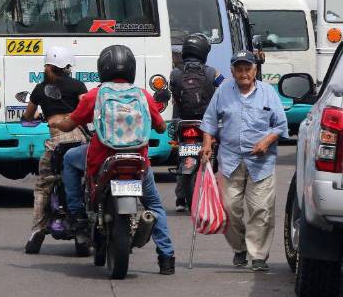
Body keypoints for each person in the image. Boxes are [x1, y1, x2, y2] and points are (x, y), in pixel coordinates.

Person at [50, 44, 176, 275]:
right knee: (155, 205)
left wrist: (57, 122)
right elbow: (160, 127)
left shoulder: (95, 95)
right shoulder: (142, 95)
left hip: (101, 159)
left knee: (68, 158)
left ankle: (76, 214)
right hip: (138, 161)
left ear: (103, 68)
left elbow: (69, 124)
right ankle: (167, 257)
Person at [199, 50, 288, 272]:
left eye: (248, 69)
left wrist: (266, 142)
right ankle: (239, 248)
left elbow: (280, 125)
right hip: (230, 160)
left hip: (261, 162)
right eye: (239, 69)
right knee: (230, 208)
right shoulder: (223, 91)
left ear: (255, 71)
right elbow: (209, 120)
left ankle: (258, 255)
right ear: (232, 72)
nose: (244, 73)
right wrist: (207, 143)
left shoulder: (268, 92)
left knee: (261, 209)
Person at [23, 46, 88, 254]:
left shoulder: (40, 89)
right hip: (79, 140)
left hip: (56, 144)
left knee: (43, 186)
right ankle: (82, 232)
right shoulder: (78, 85)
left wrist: (38, 117)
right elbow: (86, 109)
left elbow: (28, 116)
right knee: (85, 183)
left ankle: (37, 232)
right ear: (67, 66)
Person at [169, 33, 223, 212]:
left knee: (181, 157)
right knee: (219, 149)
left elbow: (174, 96)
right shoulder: (211, 72)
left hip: (182, 122)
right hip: (206, 123)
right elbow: (225, 86)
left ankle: (180, 198)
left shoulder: (176, 73)